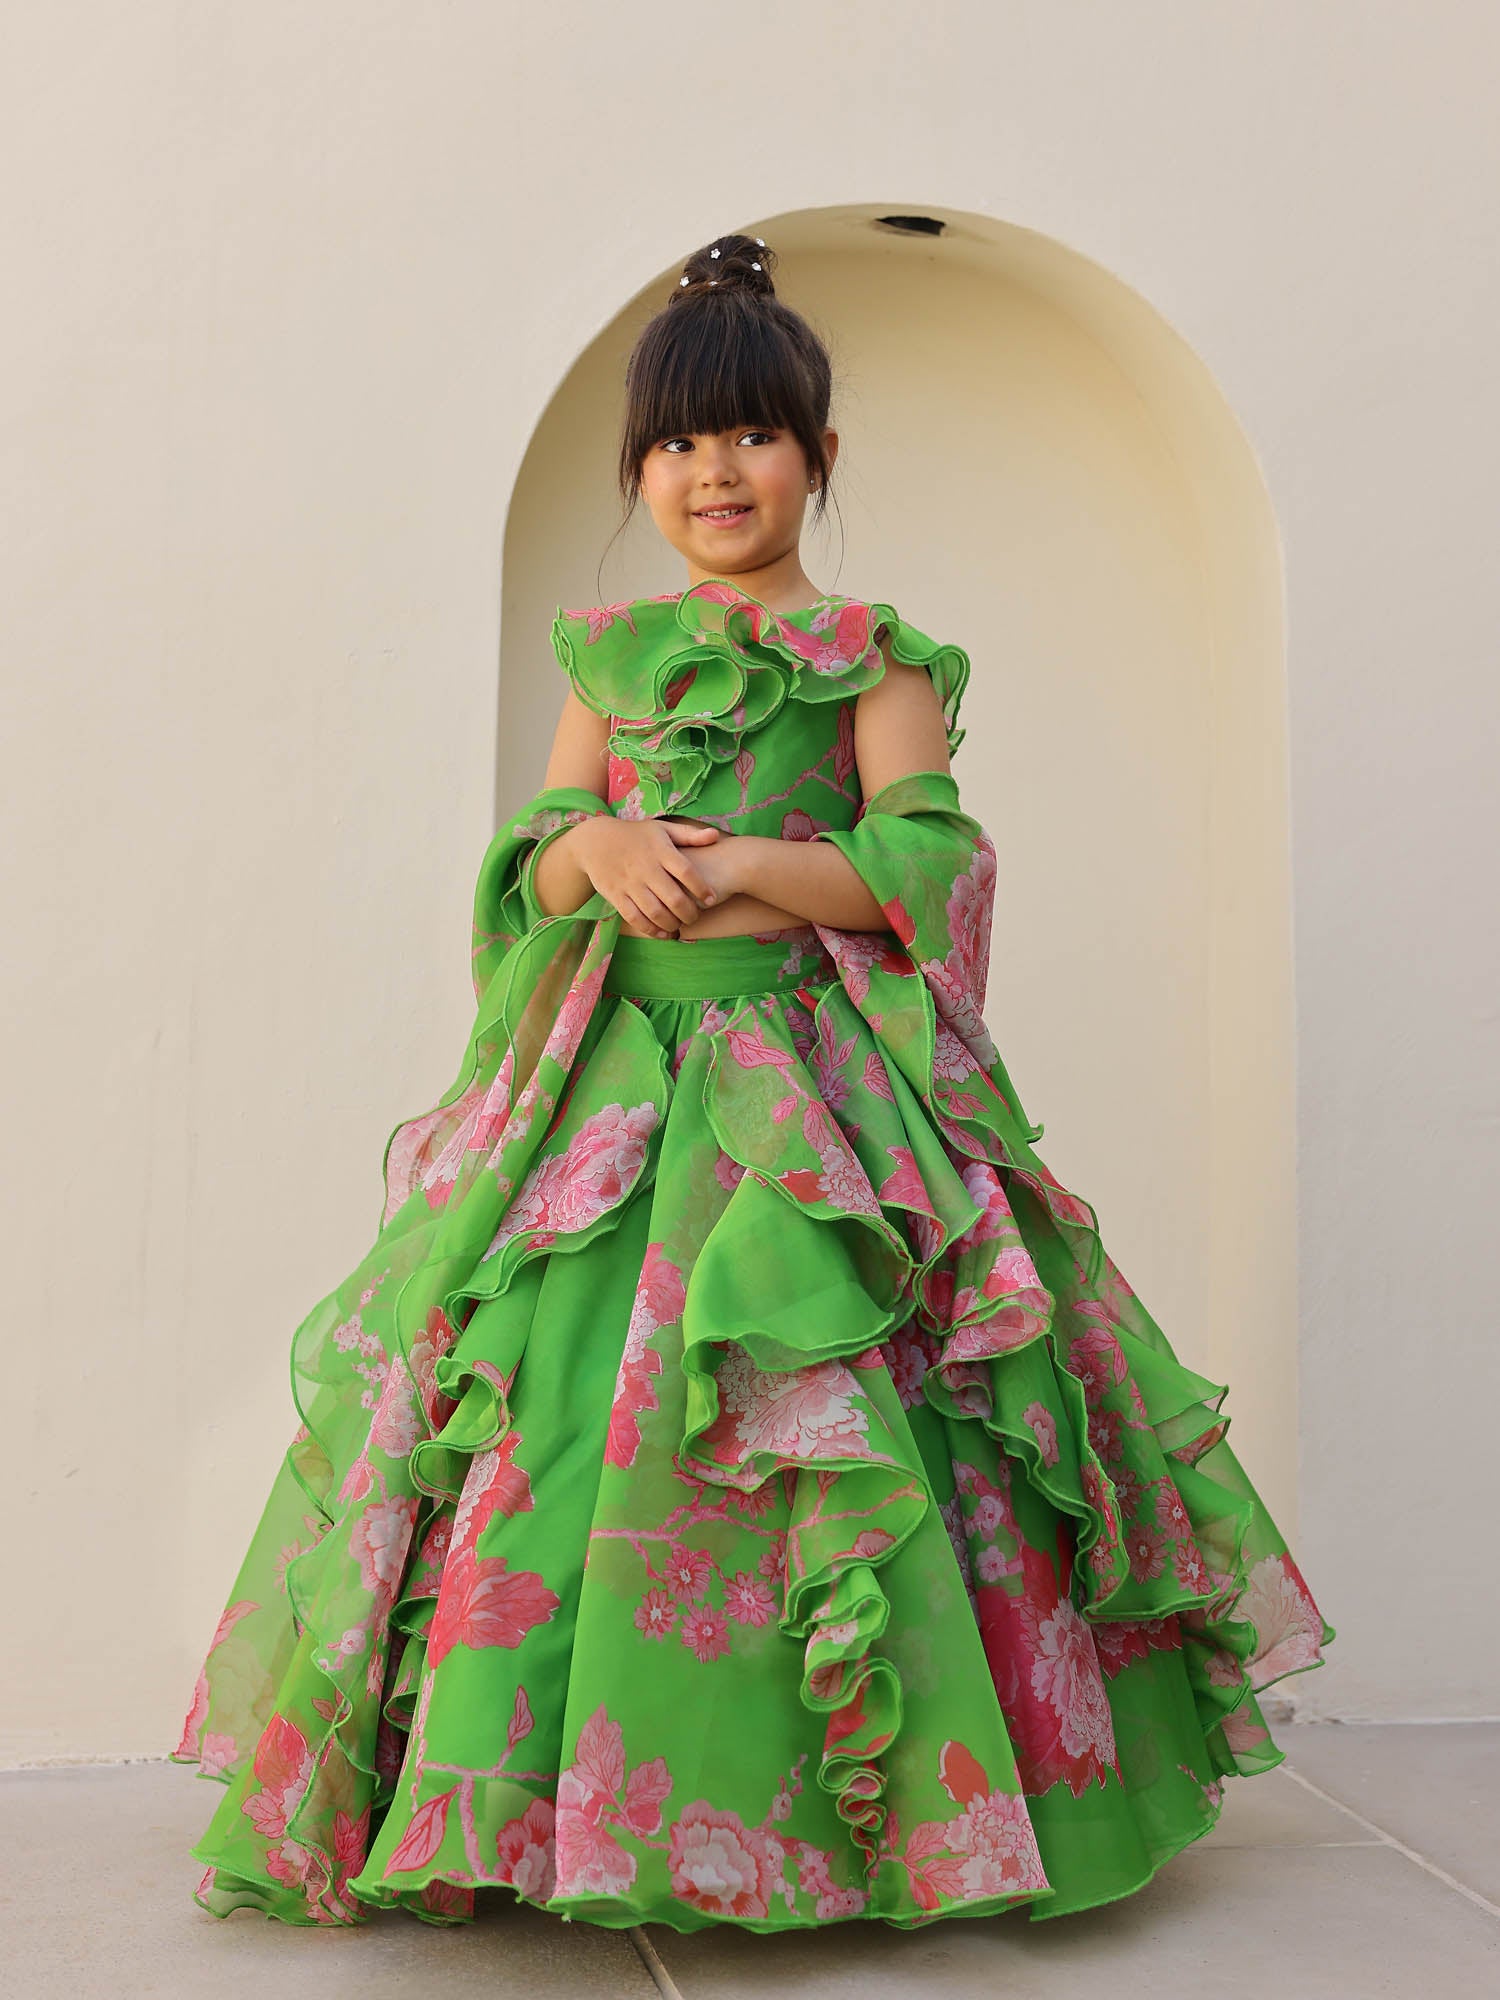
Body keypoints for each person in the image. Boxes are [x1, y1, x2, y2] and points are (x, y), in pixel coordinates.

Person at [173, 231, 1334, 1934]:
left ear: (819, 454)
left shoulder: (875, 658)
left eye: (751, 435)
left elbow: (920, 868)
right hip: (616, 1096)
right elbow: (540, 851)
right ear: (636, 472)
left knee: (832, 1415)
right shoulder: (609, 658)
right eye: (676, 443)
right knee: (554, 1420)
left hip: (811, 1104)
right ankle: (535, 1813)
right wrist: (600, 847)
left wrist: (748, 869)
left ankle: (860, 1825)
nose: (714, 471)